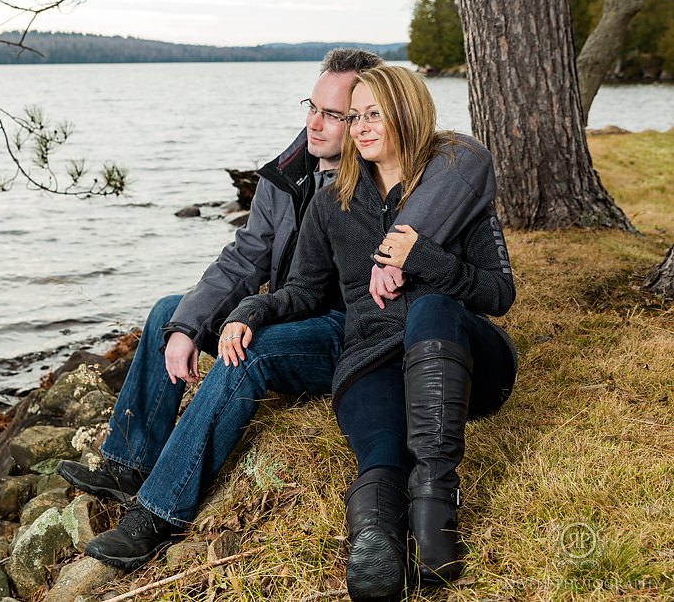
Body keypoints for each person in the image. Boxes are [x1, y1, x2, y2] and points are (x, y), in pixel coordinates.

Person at [57, 50, 498, 572]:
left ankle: (158, 514)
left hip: (345, 327)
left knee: (253, 353)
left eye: (339, 114)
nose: (319, 122)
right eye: (317, 108)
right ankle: (130, 461)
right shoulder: (292, 174)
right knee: (168, 313)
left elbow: (467, 163)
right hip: (292, 306)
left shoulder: (425, 176)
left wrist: (403, 255)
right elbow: (246, 257)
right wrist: (197, 323)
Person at [219, 65, 517, 600]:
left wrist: (421, 257)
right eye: (354, 116)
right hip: (373, 357)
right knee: (380, 450)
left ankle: (435, 509)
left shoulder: (452, 190)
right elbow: (305, 291)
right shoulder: (333, 203)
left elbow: (499, 294)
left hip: (467, 361)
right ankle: (375, 547)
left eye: (373, 114)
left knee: (430, 307)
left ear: (405, 111)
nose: (359, 127)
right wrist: (252, 308)